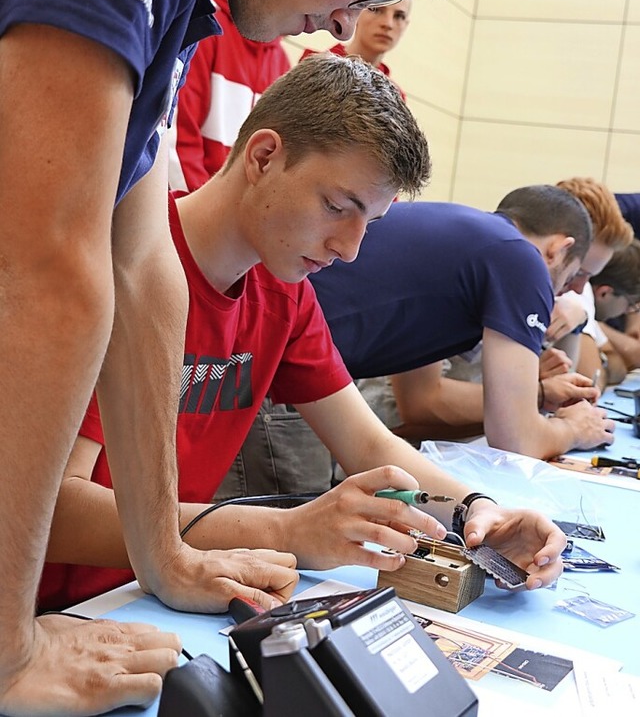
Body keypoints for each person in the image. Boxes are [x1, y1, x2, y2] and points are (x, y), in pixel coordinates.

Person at [0, 0, 502, 712]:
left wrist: (170, 554)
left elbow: (144, 271)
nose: (356, 19)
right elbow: (50, 264)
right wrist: (7, 647)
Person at [41, 56, 565, 615]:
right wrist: (286, 530)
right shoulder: (125, 265)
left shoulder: (282, 293)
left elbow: (368, 444)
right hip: (43, 609)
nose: (350, 249)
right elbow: (53, 511)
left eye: (370, 223)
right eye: (337, 207)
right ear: (264, 157)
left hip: (149, 596)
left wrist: (476, 509)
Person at [305, 187, 614, 461]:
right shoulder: (521, 258)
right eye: (574, 276)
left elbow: (421, 400)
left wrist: (537, 394)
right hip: (294, 366)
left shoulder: (469, 244)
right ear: (558, 249)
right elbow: (516, 440)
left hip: (295, 362)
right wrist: (573, 430)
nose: (571, 291)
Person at [168, 0, 291, 191]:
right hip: (188, 210)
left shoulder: (282, 63)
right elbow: (178, 139)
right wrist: (202, 217)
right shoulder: (207, 25)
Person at [553, 177, 634, 387]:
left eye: (589, 276)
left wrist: (579, 323)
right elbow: (588, 383)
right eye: (578, 273)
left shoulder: (574, 295)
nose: (580, 289)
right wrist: (539, 391)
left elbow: (591, 383)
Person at [300, 0, 413, 93]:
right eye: (376, 9)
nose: (388, 24)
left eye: (399, 16)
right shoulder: (312, 70)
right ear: (356, 12)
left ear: (406, 25)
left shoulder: (395, 95)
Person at [590, 240, 640, 378]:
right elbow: (591, 381)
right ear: (604, 293)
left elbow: (618, 368)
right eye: (631, 304)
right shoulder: (577, 307)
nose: (627, 312)